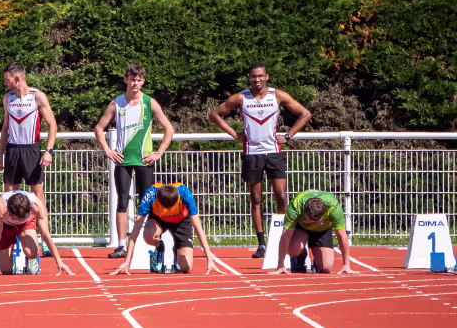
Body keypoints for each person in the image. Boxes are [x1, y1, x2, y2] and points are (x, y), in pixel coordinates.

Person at [209, 62, 311, 259]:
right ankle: (262, 244)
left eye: (260, 76)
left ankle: (283, 238)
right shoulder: (241, 97)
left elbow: (305, 114)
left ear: (266, 77)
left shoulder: (277, 95)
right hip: (252, 153)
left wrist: (288, 135)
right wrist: (235, 134)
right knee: (256, 199)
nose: (257, 79)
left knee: (281, 196)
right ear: (249, 78)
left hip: (273, 152)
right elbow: (214, 114)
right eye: (253, 76)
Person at [94, 63, 174, 259]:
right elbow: (99, 129)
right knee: (122, 200)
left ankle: (148, 242)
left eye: (139, 80)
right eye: (132, 79)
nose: (135, 83)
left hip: (144, 160)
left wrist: (158, 153)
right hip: (122, 160)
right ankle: (121, 245)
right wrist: (108, 151)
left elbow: (169, 129)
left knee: (148, 202)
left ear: (143, 82)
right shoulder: (117, 103)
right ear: (125, 80)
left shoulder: (149, 102)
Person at [0, 62, 59, 256]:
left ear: (17, 78)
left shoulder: (37, 96)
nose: (5, 83)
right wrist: (0, 154)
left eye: (7, 79)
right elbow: (5, 128)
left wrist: (49, 151)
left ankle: (45, 241)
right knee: (8, 197)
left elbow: (52, 124)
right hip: (13, 150)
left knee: (38, 198)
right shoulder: (7, 98)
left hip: (32, 150)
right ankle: (9, 239)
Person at [109, 183, 225, 275]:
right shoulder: (150, 195)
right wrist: (127, 261)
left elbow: (198, 227)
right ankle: (159, 248)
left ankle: (177, 253)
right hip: (158, 220)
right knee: (148, 234)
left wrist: (209, 259)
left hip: (181, 221)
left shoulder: (185, 194)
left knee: (186, 268)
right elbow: (136, 229)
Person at [0, 191, 74, 276]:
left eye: (21, 218)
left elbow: (45, 235)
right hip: (6, 227)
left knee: (32, 253)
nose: (18, 221)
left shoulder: (37, 206)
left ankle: (30, 259)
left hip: (26, 225)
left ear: (29, 210)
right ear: (8, 210)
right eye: (15, 218)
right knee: (5, 271)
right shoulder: (1, 205)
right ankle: (11, 264)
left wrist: (59, 261)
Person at [274, 190, 354, 275]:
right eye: (310, 222)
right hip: (301, 228)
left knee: (326, 268)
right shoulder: (295, 206)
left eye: (316, 222)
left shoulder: (333, 207)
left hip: (322, 230)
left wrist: (346, 265)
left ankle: (317, 261)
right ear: (305, 213)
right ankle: (300, 256)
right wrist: (280, 265)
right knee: (293, 250)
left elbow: (342, 236)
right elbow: (286, 236)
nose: (312, 225)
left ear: (324, 214)